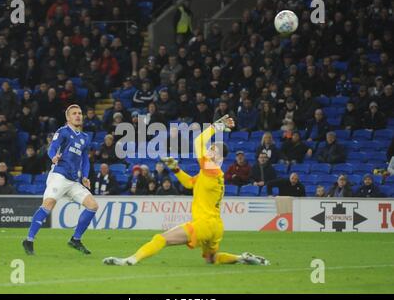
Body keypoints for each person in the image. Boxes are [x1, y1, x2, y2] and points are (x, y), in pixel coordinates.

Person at [103, 115, 269, 266]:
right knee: (212, 259)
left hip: (203, 224)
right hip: (216, 227)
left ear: (219, 157)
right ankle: (242, 258)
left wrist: (217, 126)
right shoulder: (211, 174)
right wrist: (176, 169)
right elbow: (190, 184)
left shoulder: (211, 168)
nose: (209, 151)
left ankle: (130, 260)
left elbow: (198, 142)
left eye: (213, 150)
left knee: (161, 238)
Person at [22, 105, 99, 256]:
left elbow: (85, 159)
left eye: (80, 113)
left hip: (73, 180)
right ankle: (29, 240)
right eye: (74, 114)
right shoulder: (62, 132)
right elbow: (53, 147)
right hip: (59, 175)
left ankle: (75, 239)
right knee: (49, 204)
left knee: (93, 206)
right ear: (68, 118)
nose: (78, 116)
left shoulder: (85, 137)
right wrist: (53, 157)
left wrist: (84, 176)